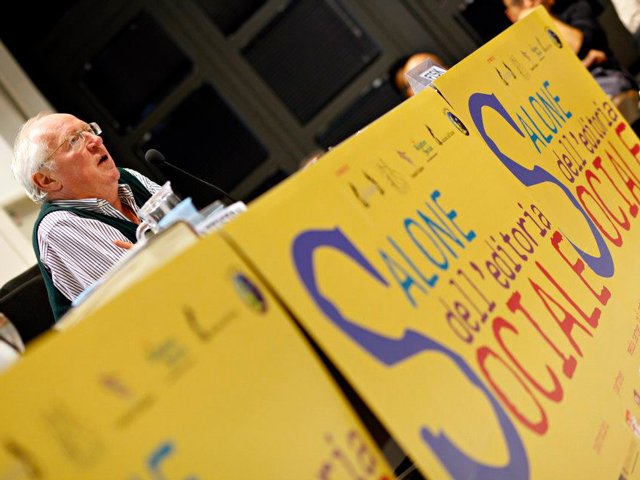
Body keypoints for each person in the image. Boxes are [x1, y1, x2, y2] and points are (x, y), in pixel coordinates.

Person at [12, 112, 161, 320]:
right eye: (74, 140)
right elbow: (142, 293)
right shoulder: (58, 227)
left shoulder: (128, 178)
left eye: (89, 130)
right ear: (47, 180)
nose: (96, 140)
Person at [504, 0, 640, 123]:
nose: (528, 3)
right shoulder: (514, 52)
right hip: (565, 108)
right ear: (510, 15)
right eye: (517, 3)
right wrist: (584, 64)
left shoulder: (577, 10)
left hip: (607, 88)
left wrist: (539, 18)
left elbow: (579, 45)